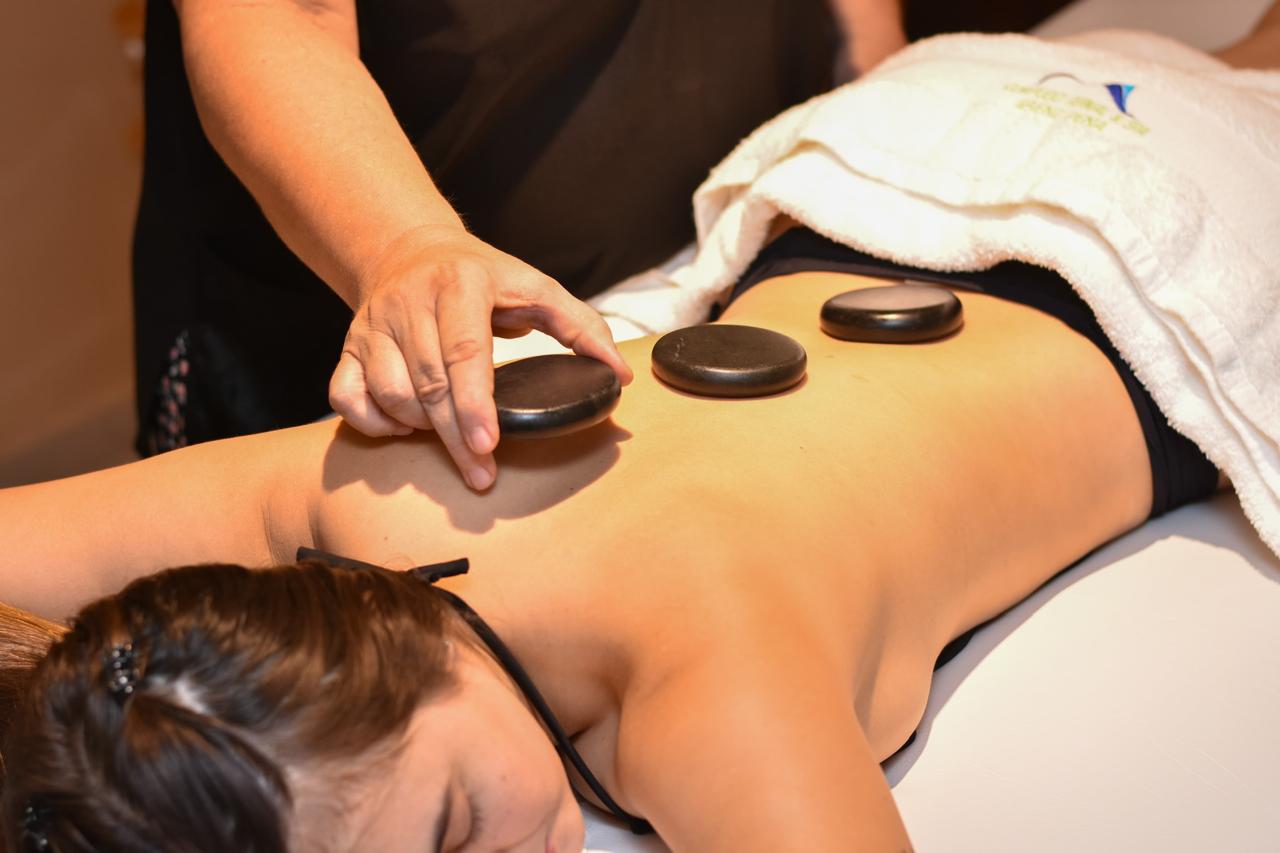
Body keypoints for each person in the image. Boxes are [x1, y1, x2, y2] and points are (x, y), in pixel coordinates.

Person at [6, 15, 1275, 851]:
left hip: (1150, 248)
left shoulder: (706, 680)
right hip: (903, 158)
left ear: (407, 662)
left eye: (455, 827)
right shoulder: (368, 493)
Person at [135, 0, 907, 492]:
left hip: (721, 249)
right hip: (366, 290)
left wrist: (884, 116)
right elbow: (278, 16)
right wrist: (409, 245)